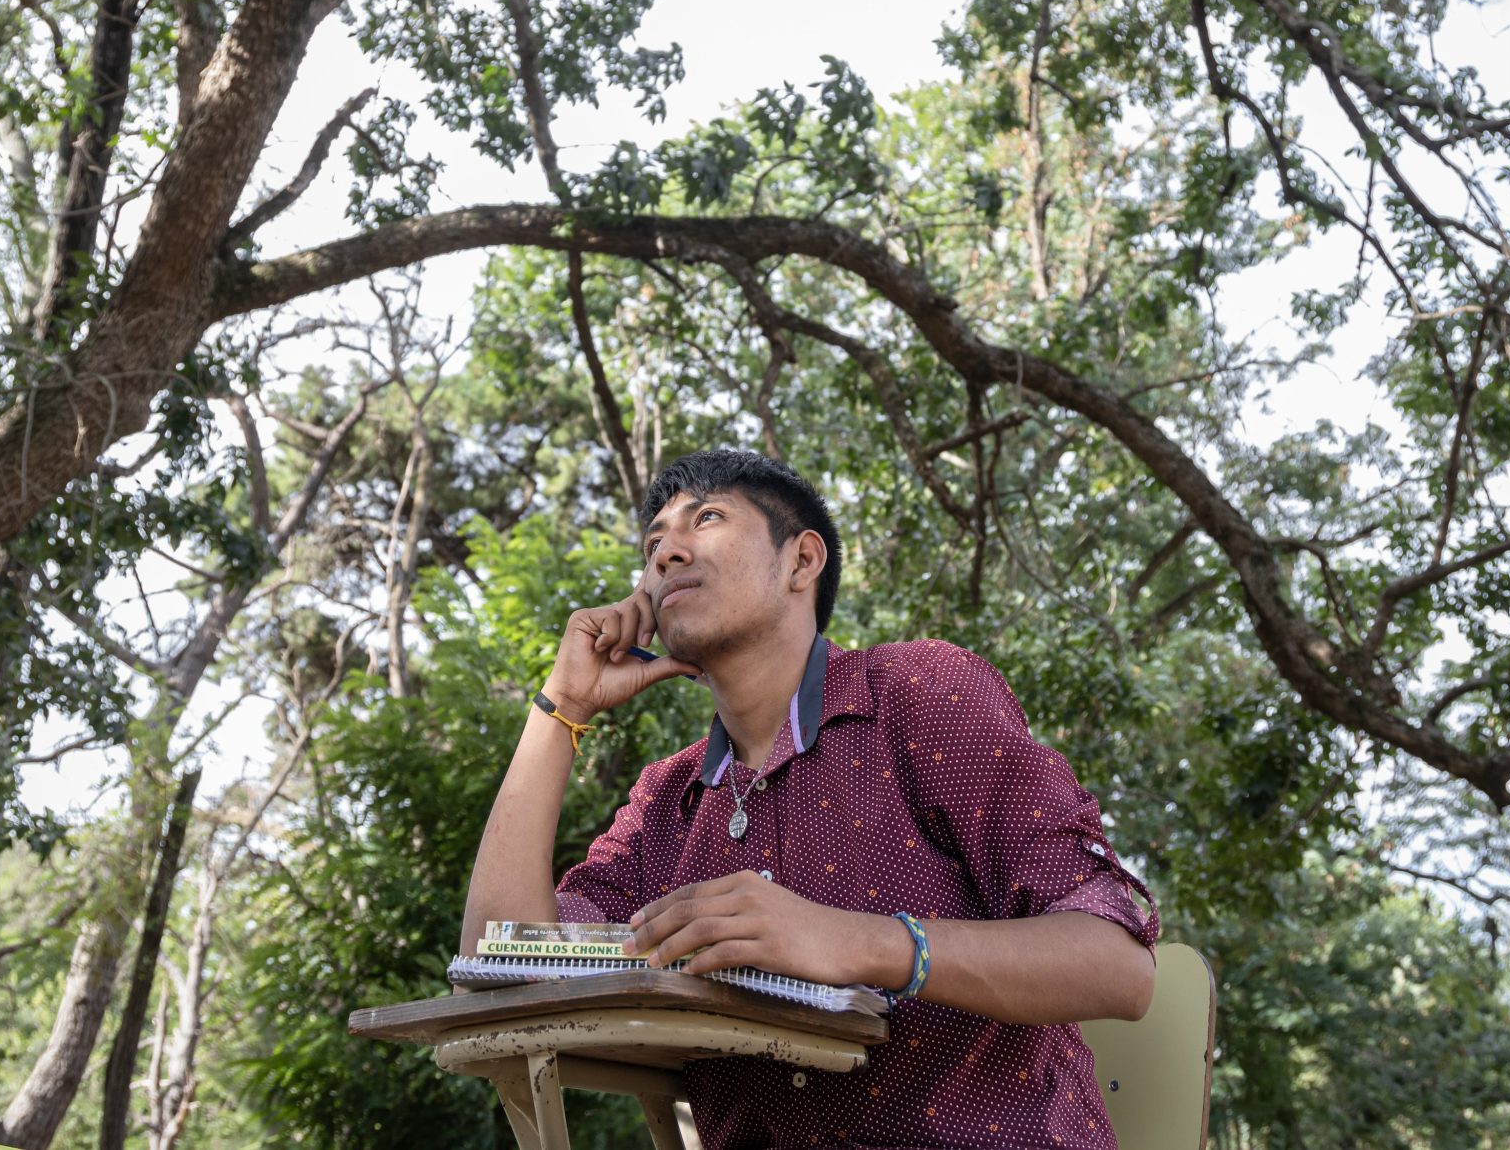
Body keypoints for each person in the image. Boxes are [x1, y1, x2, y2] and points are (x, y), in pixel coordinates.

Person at [461, 448, 1158, 1149]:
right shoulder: (665, 802)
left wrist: (855, 941)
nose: (668, 552)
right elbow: (498, 968)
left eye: (706, 518)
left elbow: (1116, 963)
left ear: (801, 562)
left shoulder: (920, 696)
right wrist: (562, 710)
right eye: (652, 545)